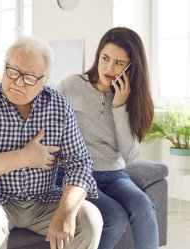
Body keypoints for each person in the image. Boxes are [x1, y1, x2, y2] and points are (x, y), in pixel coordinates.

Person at [0, 36, 103, 249]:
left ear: (44, 80)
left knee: (90, 218)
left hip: (44, 199)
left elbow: (80, 164)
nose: (17, 81)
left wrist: (66, 212)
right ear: (4, 66)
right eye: (12, 71)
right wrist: (23, 157)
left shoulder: (59, 107)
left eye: (30, 77)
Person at [56, 27, 158, 249]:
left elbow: (130, 156)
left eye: (119, 63)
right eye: (105, 58)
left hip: (115, 175)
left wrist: (120, 105)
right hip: (77, 174)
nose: (109, 68)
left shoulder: (133, 98)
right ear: (98, 55)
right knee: (116, 218)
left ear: (132, 67)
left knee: (143, 205)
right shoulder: (70, 85)